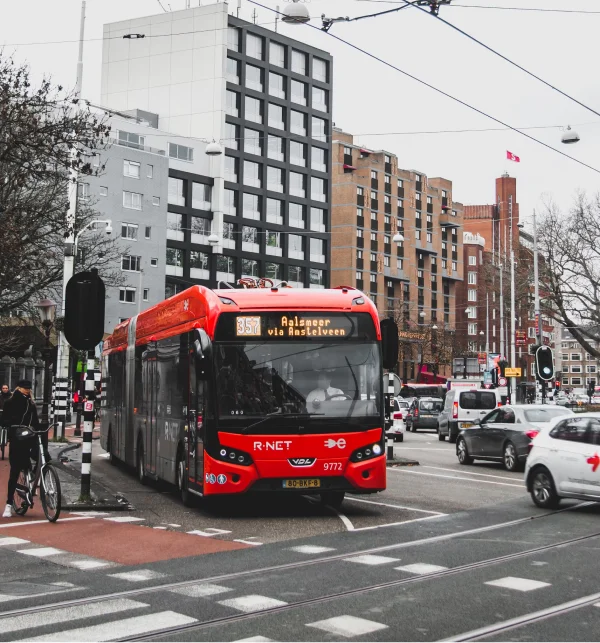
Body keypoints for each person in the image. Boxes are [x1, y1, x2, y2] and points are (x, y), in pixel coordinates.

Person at [2, 380, 47, 518]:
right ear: (19, 388)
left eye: (29, 389)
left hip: (30, 437)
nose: (27, 391)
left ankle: (36, 477)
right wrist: (12, 425)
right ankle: (9, 504)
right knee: (15, 471)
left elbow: (35, 422)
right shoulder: (10, 402)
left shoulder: (31, 404)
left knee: (44, 455)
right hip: (17, 438)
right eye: (25, 388)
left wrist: (43, 428)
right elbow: (3, 420)